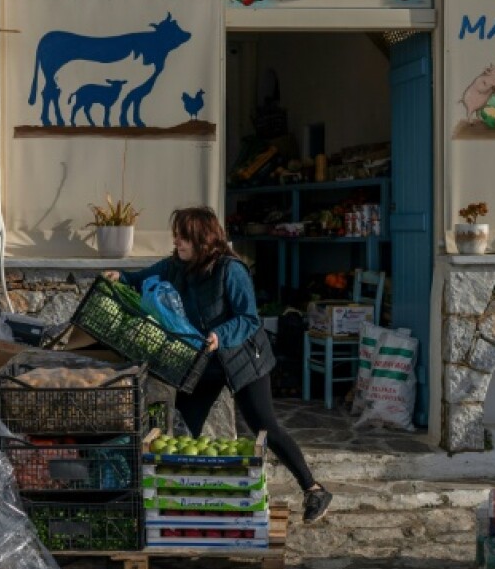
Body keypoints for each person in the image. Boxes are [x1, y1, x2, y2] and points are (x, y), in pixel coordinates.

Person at [104, 206, 333, 524]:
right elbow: (142, 278)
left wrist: (219, 335)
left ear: (202, 239)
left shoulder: (230, 270)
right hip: (204, 363)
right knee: (185, 428)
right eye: (177, 236)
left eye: (184, 237)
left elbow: (249, 318)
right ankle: (187, 502)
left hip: (243, 358)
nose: (178, 242)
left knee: (264, 425)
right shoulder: (175, 266)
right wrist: (121, 277)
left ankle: (314, 489)